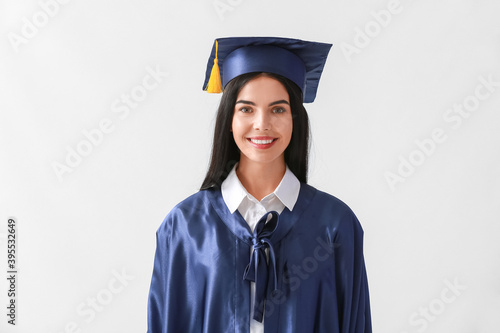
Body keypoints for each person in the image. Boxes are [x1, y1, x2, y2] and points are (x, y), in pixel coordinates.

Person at [147, 37, 372, 333]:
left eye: (278, 109)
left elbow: (354, 323)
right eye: (246, 109)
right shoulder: (185, 226)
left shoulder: (335, 224)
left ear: (295, 119)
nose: (262, 123)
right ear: (229, 117)